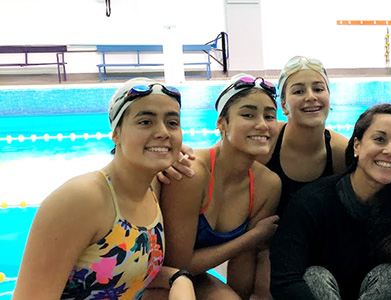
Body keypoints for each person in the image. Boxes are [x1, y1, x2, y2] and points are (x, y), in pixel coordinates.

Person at [14, 78, 195, 299]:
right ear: (116, 133)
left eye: (172, 123)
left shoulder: (151, 189)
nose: (163, 132)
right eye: (145, 121)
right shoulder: (82, 199)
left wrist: (179, 278)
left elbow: (120, 277)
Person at [270, 104, 391, 300]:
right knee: (315, 276)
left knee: (390, 276)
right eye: (379, 139)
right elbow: (284, 281)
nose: (390, 150)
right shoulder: (311, 202)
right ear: (357, 145)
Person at [154, 74, 281, 299]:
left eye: (269, 116)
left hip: (196, 278)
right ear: (222, 123)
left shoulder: (267, 185)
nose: (262, 124)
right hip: (156, 279)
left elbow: (243, 264)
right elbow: (178, 266)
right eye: (248, 114)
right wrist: (251, 237)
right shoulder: (191, 172)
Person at [261, 56, 349, 216]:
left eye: (318, 89)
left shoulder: (340, 152)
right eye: (298, 91)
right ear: (283, 105)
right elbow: (221, 157)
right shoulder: (268, 140)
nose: (310, 97)